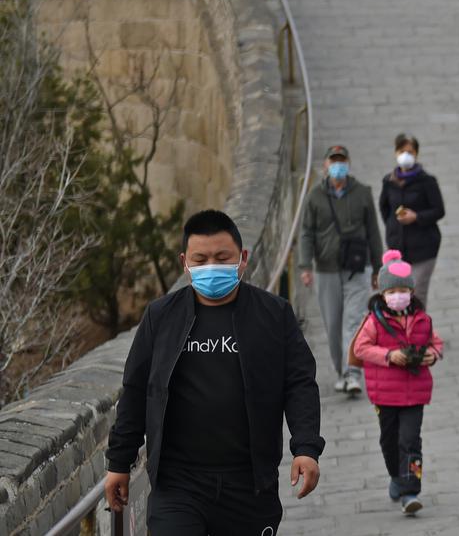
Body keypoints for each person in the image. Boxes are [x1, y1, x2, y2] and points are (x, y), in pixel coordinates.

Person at [104, 210, 324, 534]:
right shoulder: (160, 317)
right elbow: (136, 390)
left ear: (243, 258)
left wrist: (306, 447)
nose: (211, 267)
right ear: (185, 262)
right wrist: (118, 463)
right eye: (201, 259)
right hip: (178, 483)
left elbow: (299, 383)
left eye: (222, 257)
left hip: (249, 484)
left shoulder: (274, 314)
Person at [352, 250, 443, 515]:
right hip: (385, 395)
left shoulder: (422, 320)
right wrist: (390, 356)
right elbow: (361, 348)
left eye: (403, 290)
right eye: (392, 292)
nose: (398, 296)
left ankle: (410, 490)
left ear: (412, 292)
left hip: (415, 393)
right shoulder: (373, 322)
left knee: (410, 440)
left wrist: (432, 354)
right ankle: (395, 475)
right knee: (389, 440)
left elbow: (436, 342)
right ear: (383, 294)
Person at [298, 144, 384, 397]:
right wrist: (305, 265)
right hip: (326, 268)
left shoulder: (362, 193)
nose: (337, 165)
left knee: (354, 321)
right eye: (333, 160)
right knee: (333, 324)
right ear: (325, 165)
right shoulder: (314, 197)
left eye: (341, 160)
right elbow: (306, 233)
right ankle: (342, 371)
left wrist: (378, 267)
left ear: (348, 163)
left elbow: (373, 232)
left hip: (357, 267)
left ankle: (353, 372)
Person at [379, 134, 446, 304]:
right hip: (398, 249)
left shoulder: (427, 181)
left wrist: (416, 217)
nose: (406, 155)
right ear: (396, 152)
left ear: (416, 154)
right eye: (402, 151)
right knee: (398, 296)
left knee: (416, 295)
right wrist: (393, 227)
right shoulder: (389, 181)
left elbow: (439, 210)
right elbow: (384, 208)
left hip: (424, 249)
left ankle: (418, 329)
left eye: (410, 151)